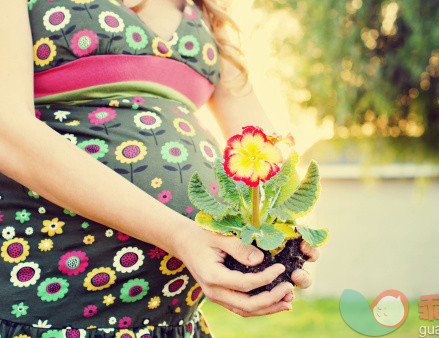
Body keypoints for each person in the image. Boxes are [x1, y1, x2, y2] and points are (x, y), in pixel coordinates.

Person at [0, 0, 319, 336]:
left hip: (172, 323)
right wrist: (179, 234)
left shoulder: (208, 10)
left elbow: (260, 141)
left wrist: (286, 227)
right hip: (50, 316)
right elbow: (8, 132)